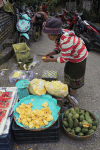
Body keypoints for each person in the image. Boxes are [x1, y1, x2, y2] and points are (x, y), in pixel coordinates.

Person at [42, 18, 88, 96]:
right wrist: (51, 54)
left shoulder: (66, 40)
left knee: (75, 75)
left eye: (50, 35)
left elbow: (64, 59)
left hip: (79, 57)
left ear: (56, 33)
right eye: (48, 34)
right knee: (68, 70)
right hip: (71, 56)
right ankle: (68, 85)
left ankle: (72, 92)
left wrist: (49, 60)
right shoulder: (58, 36)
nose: (48, 37)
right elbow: (58, 48)